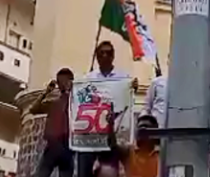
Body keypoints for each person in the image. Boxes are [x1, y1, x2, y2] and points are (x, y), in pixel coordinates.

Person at [79, 41, 139, 177]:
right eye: (102, 53)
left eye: (108, 53)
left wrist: (132, 88)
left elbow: (126, 101)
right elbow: (82, 101)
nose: (105, 56)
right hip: (93, 135)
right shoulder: (88, 79)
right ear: (96, 57)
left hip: (114, 134)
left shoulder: (123, 78)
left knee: (111, 170)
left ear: (113, 56)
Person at [31, 68, 75, 177]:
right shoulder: (53, 103)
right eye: (59, 81)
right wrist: (46, 92)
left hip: (66, 146)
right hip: (55, 145)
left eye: (63, 81)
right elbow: (33, 109)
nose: (61, 85)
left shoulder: (75, 103)